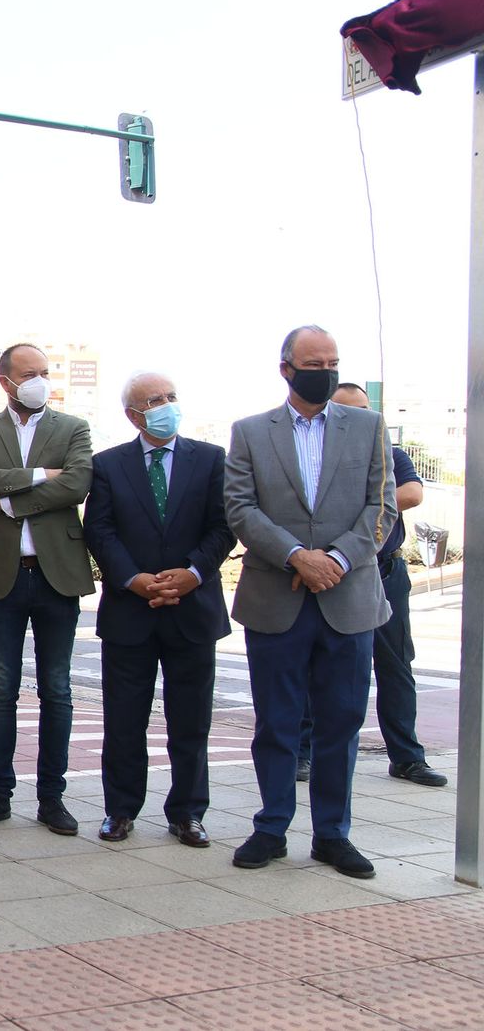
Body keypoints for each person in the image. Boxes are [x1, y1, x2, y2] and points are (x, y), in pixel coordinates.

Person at [226, 326, 395, 879]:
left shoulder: (368, 427)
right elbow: (241, 509)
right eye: (313, 361)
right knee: (275, 723)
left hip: (349, 602)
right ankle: (271, 827)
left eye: (333, 361)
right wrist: (298, 556)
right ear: (286, 368)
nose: (324, 370)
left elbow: (381, 507)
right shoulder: (251, 432)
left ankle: (332, 834)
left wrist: (337, 561)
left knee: (341, 723)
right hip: (277, 597)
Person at [82, 371, 234, 847]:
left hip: (193, 608)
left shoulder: (210, 459)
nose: (166, 405)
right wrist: (135, 579)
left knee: (191, 721)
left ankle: (188, 812)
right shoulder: (108, 465)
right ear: (133, 414)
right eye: (155, 399)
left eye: (171, 396)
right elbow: (100, 531)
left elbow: (223, 525)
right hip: (131, 611)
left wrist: (192, 573)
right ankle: (120, 810)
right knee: (124, 720)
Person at [0, 342, 94, 835]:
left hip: (57, 573)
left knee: (57, 690)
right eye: (29, 373)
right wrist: (39, 476)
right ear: (6, 381)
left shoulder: (73, 428)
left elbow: (77, 484)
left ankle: (52, 798)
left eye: (44, 371)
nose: (39, 380)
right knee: (1, 690)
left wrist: (9, 502)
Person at [296, 383, 442, 788]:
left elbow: (411, 493)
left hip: (384, 574)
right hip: (331, 575)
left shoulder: (390, 454)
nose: (361, 419)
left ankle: (407, 757)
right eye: (349, 411)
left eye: (366, 410)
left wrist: (363, 502)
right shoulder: (313, 459)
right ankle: (302, 753)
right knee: (316, 666)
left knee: (396, 665)